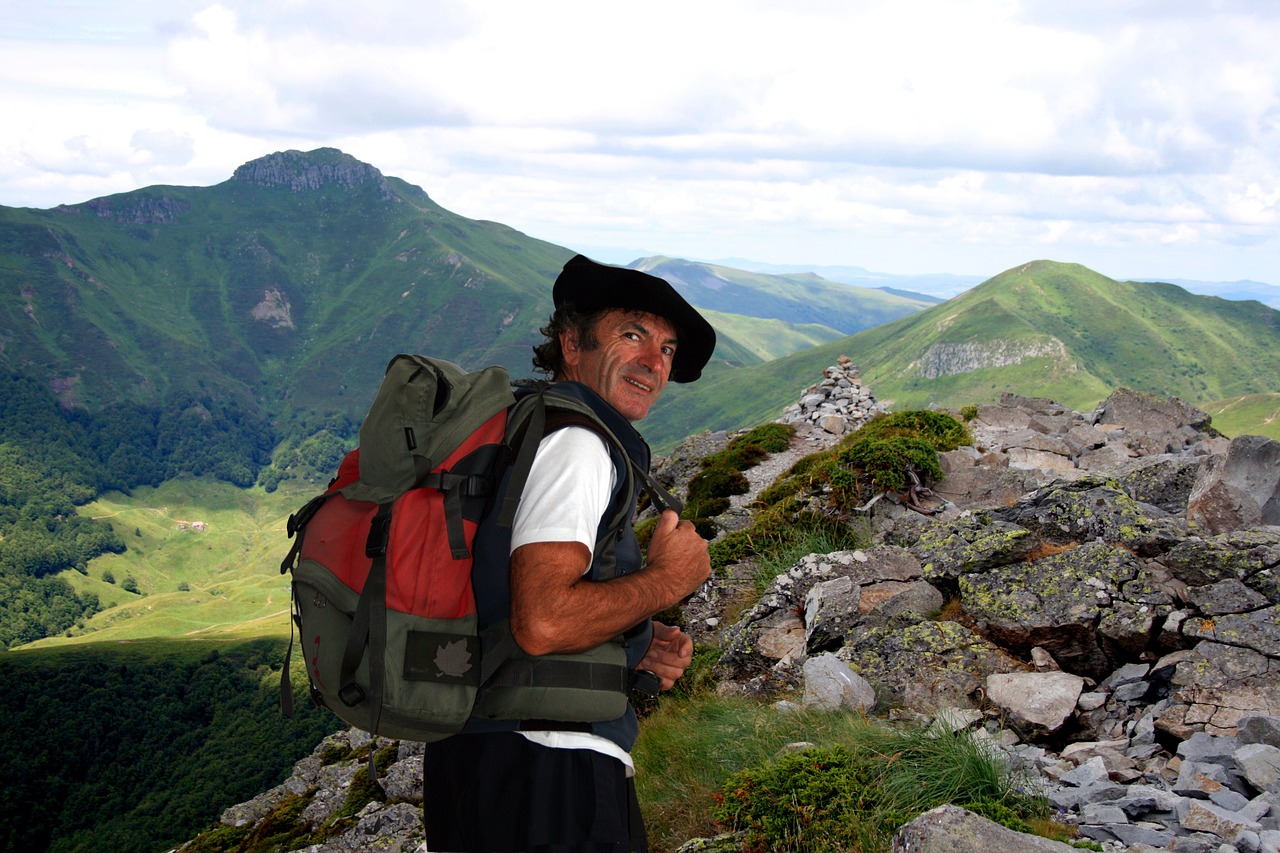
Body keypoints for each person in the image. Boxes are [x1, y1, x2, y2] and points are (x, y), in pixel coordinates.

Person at [423, 255, 716, 852]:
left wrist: (628, 642)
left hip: (484, 757)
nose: (653, 362)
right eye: (631, 334)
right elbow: (544, 620)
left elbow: (511, 598)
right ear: (571, 343)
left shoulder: (530, 426)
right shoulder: (579, 444)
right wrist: (667, 578)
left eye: (666, 348)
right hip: (550, 769)